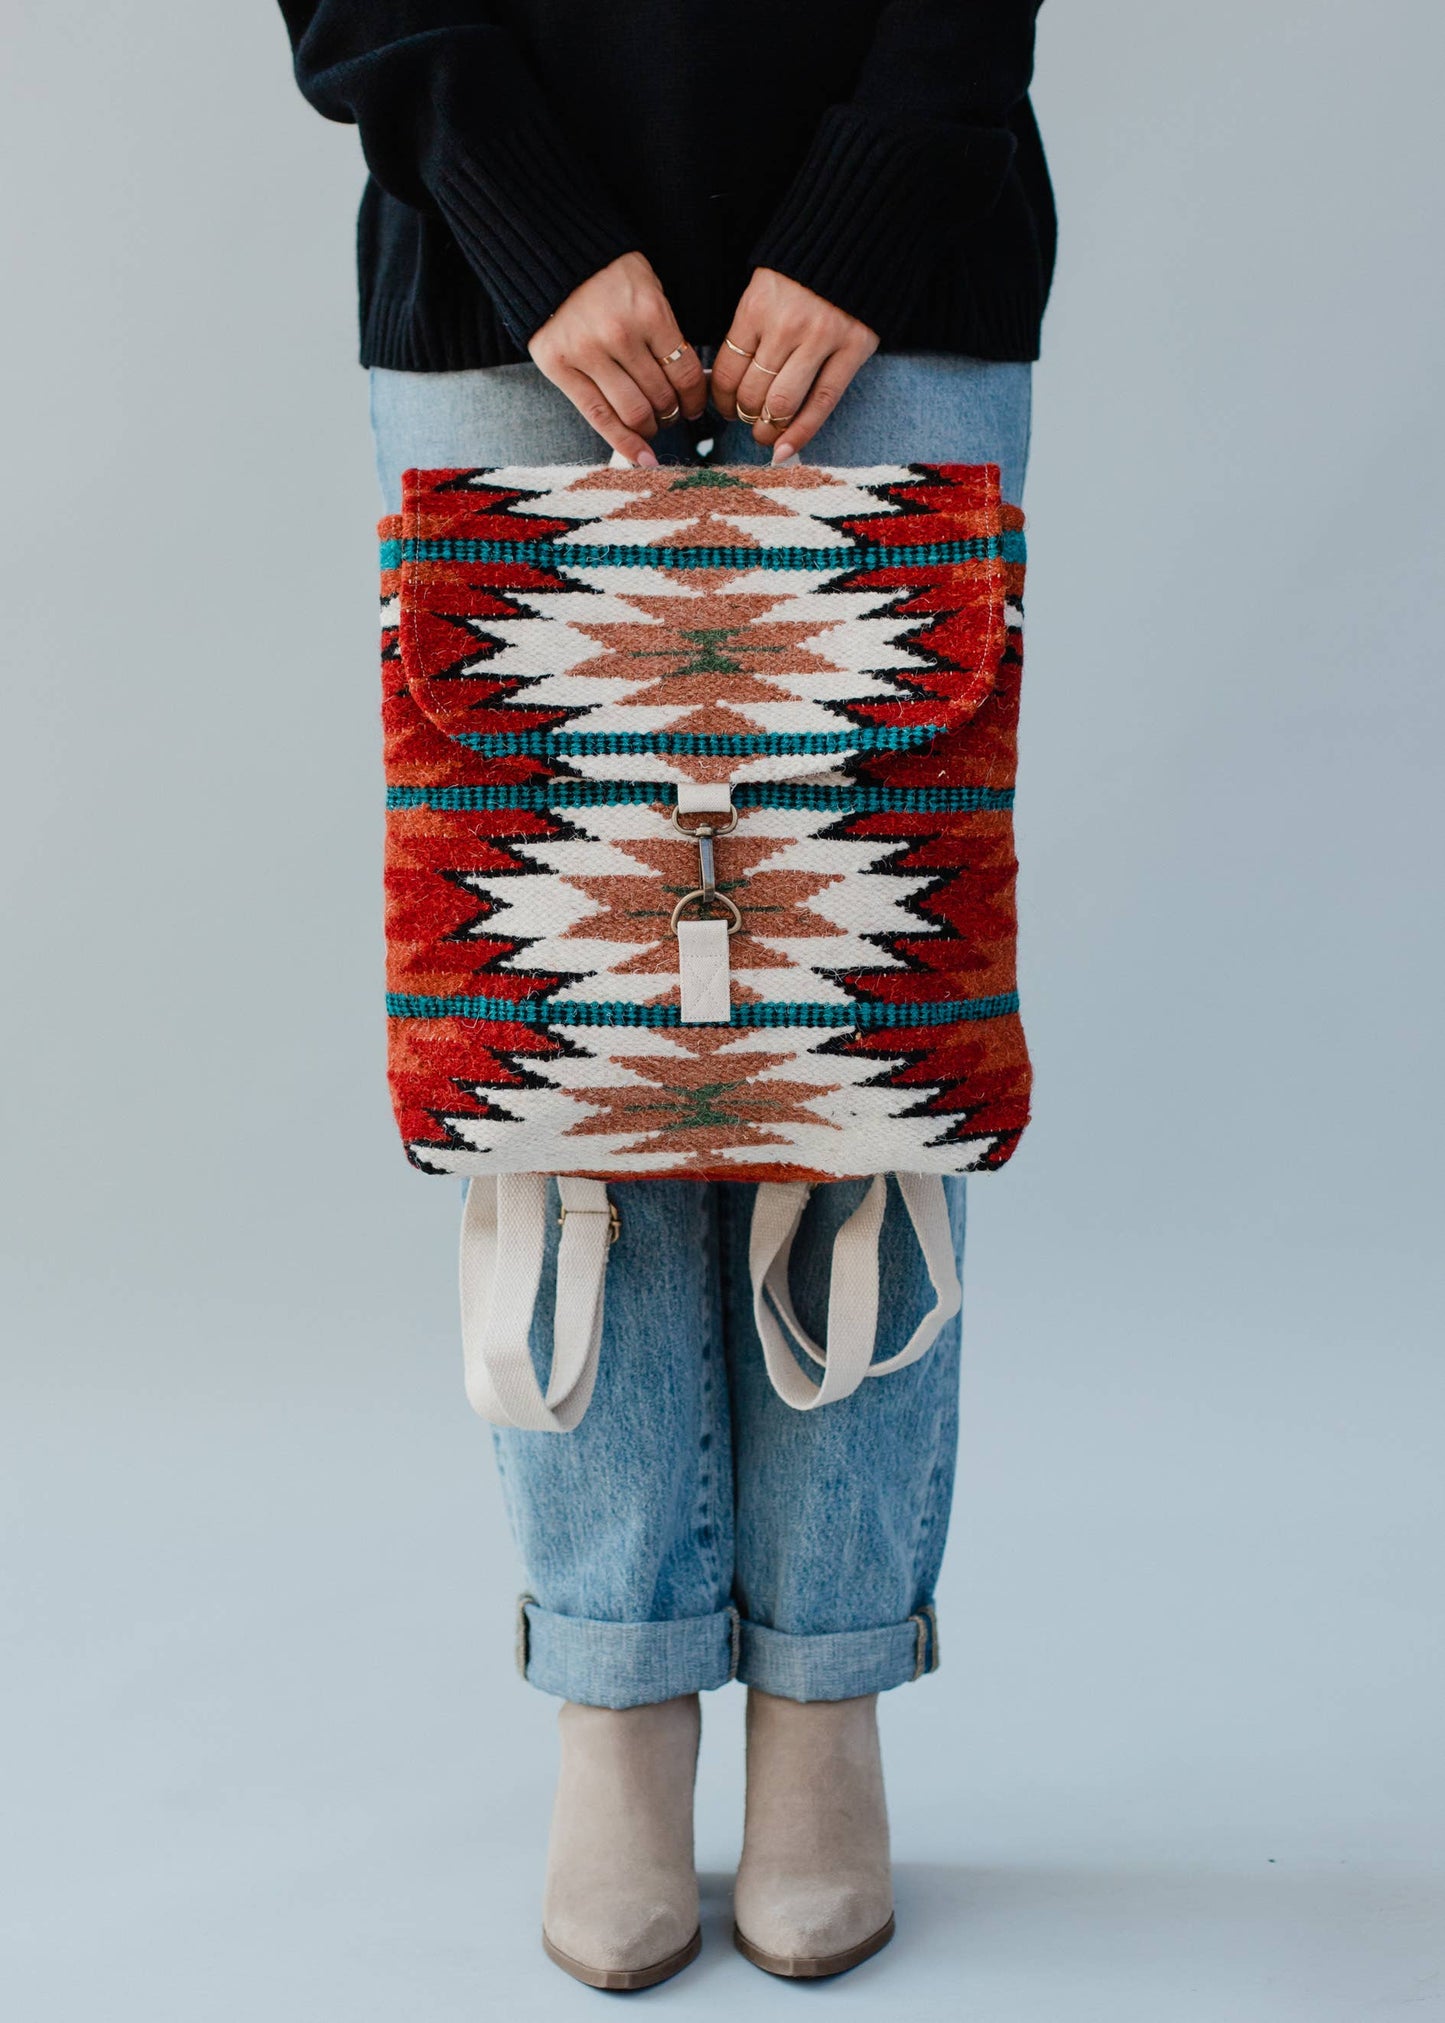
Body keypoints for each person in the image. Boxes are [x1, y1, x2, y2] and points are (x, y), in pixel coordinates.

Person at [279, 0, 1054, 1989]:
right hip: (497, 269)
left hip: (901, 253)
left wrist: (881, 189)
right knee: (569, 1060)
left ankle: (831, 1695)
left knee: (857, 1044)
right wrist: (520, 210)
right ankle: (617, 1695)